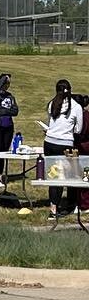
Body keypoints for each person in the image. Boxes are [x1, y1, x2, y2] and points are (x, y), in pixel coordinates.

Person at [43, 78, 82, 219]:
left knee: (53, 175)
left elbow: (51, 121)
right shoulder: (76, 107)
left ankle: (53, 207)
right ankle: (60, 206)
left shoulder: (52, 103)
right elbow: (78, 129)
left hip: (49, 142)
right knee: (63, 176)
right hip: (65, 143)